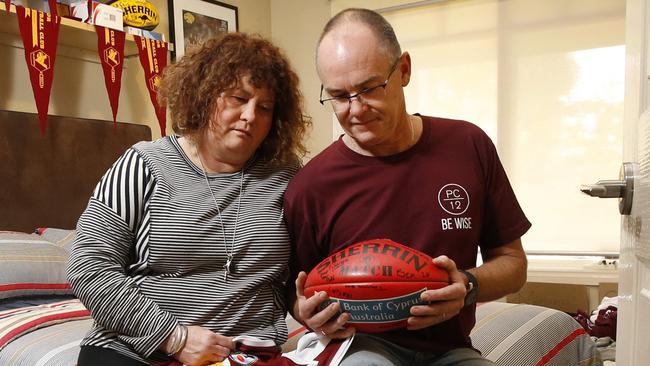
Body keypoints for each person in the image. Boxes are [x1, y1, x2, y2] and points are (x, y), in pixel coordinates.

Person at [283, 8, 531, 366]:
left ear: (403, 70)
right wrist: (306, 312)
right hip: (357, 347)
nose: (356, 109)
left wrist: (466, 286)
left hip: (450, 350)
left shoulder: (468, 145)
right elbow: (295, 291)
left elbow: (513, 264)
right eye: (339, 96)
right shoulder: (311, 186)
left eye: (369, 88)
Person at [67, 32, 311, 366]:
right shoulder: (144, 164)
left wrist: (302, 306)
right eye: (238, 98)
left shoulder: (286, 176)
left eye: (264, 107)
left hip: (246, 353)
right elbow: (89, 267)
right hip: (137, 351)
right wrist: (174, 337)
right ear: (205, 95)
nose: (250, 115)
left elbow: (293, 276)